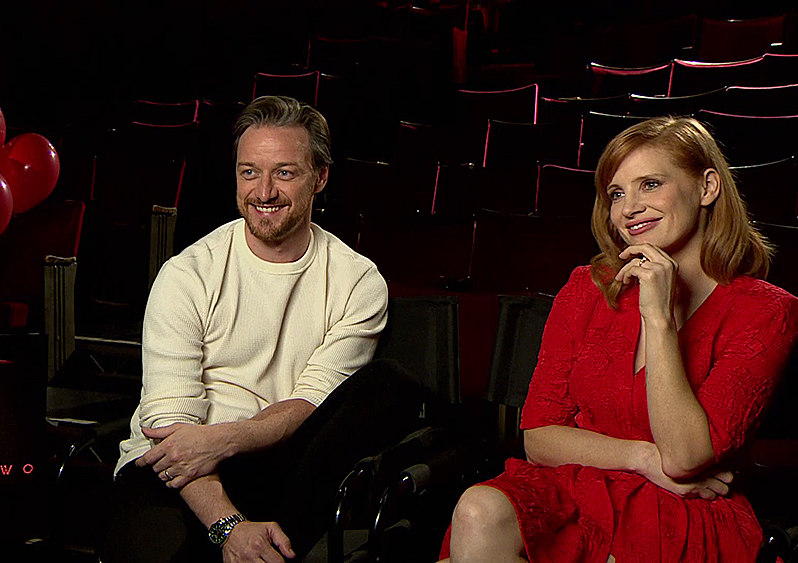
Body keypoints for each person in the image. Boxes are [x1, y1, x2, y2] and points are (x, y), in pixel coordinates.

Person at [441, 116, 798, 562]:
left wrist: (659, 318)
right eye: (617, 193)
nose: (629, 208)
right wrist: (643, 459)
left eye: (650, 184)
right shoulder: (587, 286)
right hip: (580, 487)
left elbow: (685, 458)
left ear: (707, 187)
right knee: (478, 510)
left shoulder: (767, 311)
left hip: (682, 508)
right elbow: (539, 437)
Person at [101, 95, 428, 563]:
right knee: (161, 546)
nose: (264, 192)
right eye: (249, 172)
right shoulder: (187, 274)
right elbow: (169, 427)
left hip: (277, 461)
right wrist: (229, 528)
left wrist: (225, 439)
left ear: (321, 177)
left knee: (392, 384)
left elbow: (311, 403)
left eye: (285, 173)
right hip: (172, 467)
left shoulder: (357, 281)